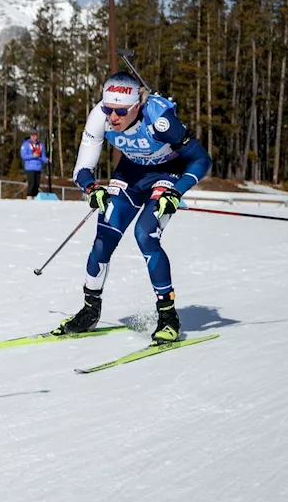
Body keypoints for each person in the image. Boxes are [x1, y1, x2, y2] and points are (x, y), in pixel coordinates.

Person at [54, 71, 212, 344]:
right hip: (131, 174)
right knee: (105, 235)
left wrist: (176, 191)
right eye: (108, 109)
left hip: (168, 173)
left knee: (145, 233)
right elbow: (82, 168)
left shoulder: (160, 121)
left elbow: (201, 159)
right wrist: (91, 188)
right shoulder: (99, 118)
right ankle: (90, 311)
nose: (113, 117)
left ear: (136, 107)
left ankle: (168, 317)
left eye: (121, 111)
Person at [19, 130, 48, 198]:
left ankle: (35, 197)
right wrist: (33, 156)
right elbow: (23, 155)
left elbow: (42, 156)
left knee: (37, 185)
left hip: (38, 167)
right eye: (32, 135)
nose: (34, 137)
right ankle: (29, 197)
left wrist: (46, 160)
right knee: (32, 183)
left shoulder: (40, 145)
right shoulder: (26, 144)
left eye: (35, 135)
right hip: (30, 167)